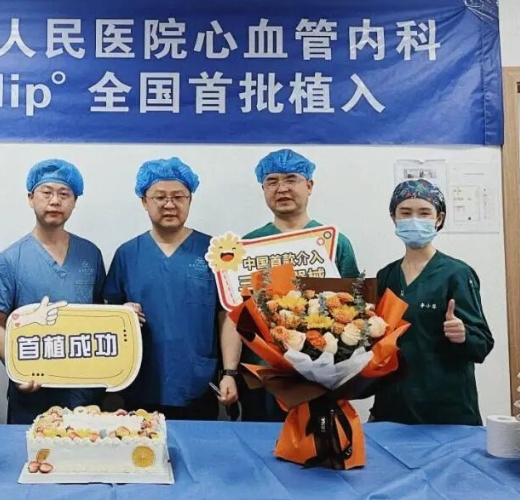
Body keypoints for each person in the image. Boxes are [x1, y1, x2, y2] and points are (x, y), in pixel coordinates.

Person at [233, 148, 362, 422]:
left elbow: (354, 313)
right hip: (264, 373)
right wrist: (230, 372)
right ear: (263, 189)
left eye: (291, 179)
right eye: (272, 181)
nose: (282, 188)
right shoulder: (248, 246)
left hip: (320, 374)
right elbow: (235, 314)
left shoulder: (335, 243)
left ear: (309, 185)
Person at [0, 159, 107, 425]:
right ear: (30, 198)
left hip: (84, 390)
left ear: (74, 201)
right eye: (46, 192)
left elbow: (99, 315)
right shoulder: (10, 260)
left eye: (64, 194)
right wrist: (18, 369)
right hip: (32, 393)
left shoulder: (90, 254)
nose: (55, 201)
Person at [103, 157, 233, 420]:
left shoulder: (216, 252)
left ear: (190, 200)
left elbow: (228, 315)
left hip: (198, 383)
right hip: (139, 384)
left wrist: (230, 372)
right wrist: (122, 313)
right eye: (159, 197)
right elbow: (108, 316)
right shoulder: (127, 254)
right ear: (144, 201)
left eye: (178, 197)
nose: (170, 204)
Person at [369, 179, 494, 425]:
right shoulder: (386, 276)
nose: (414, 219)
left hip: (446, 411)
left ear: (439, 218)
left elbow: (482, 344)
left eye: (424, 212)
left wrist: (463, 334)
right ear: (394, 218)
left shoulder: (456, 273)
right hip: (393, 408)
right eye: (406, 213)